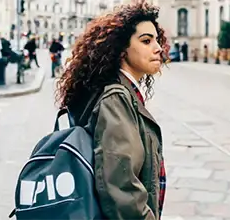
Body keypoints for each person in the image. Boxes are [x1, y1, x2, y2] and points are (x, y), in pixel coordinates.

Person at [54, 2, 169, 219]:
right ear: (122, 49)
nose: (158, 48)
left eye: (157, 40)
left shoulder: (118, 92)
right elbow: (122, 189)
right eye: (146, 41)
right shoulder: (116, 99)